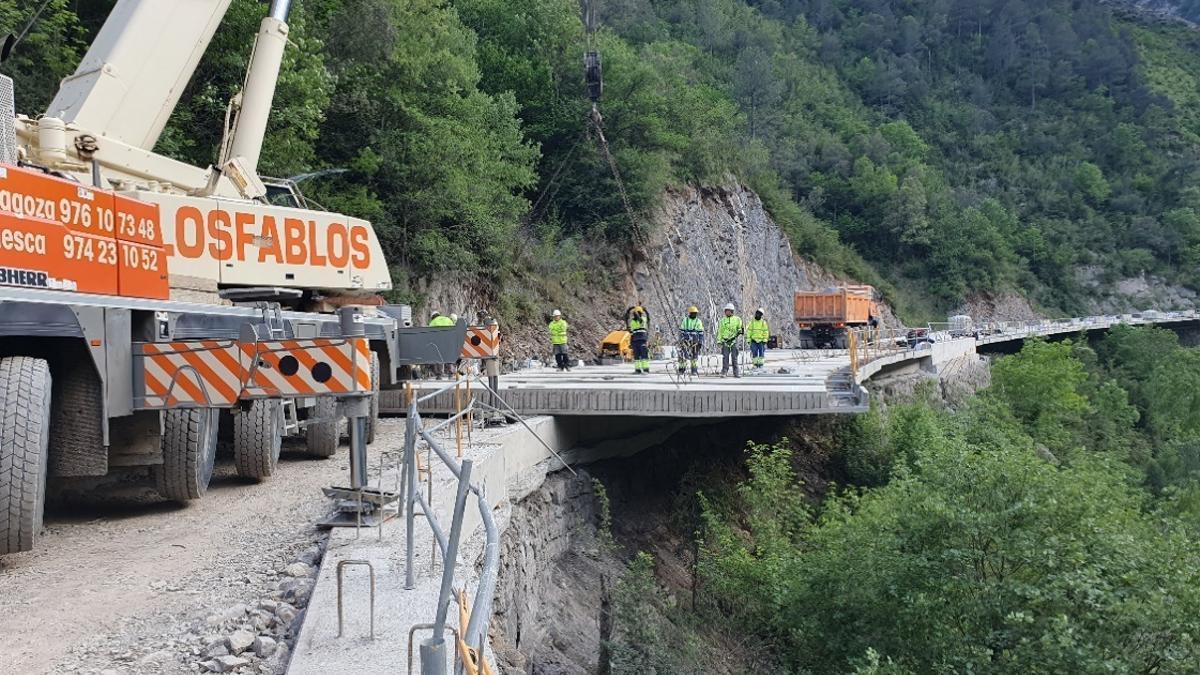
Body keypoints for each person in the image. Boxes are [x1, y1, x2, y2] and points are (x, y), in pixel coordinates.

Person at [718, 302, 743, 378]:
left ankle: (736, 372)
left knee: (734, 357)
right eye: (726, 311)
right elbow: (720, 331)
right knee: (725, 357)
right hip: (725, 341)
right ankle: (724, 371)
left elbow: (740, 327)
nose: (727, 312)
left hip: (733, 341)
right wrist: (719, 340)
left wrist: (741, 330)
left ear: (732, 311)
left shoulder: (737, 319)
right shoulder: (722, 320)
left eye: (728, 311)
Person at [677, 306, 704, 375]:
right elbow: (681, 331)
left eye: (695, 313)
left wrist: (700, 343)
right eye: (692, 313)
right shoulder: (685, 320)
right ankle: (681, 370)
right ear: (690, 313)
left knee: (694, 356)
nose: (694, 314)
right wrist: (681, 341)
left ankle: (694, 370)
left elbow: (701, 333)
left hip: (695, 342)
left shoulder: (698, 321)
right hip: (685, 341)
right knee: (682, 355)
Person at [627, 305, 650, 374]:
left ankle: (645, 369)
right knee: (637, 356)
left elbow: (640, 319)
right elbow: (631, 331)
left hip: (642, 339)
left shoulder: (643, 319)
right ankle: (638, 369)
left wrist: (636, 311)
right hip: (635, 340)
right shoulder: (632, 322)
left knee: (644, 355)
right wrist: (628, 311)